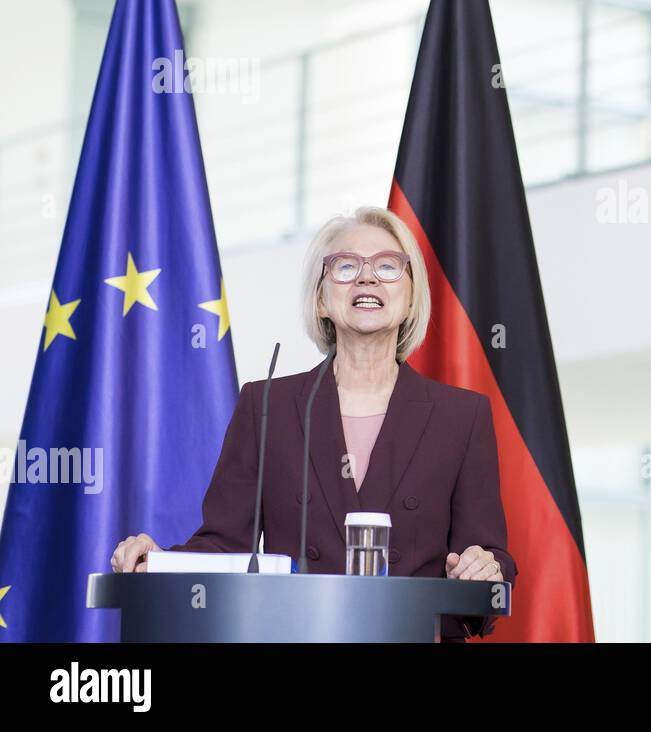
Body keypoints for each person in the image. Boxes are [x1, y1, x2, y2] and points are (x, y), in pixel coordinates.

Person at [110, 206, 514, 639]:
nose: (366, 277)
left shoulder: (462, 415)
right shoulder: (266, 405)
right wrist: (161, 562)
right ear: (321, 299)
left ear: (412, 296)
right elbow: (225, 545)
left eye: (388, 266)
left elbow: (488, 555)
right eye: (345, 266)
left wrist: (483, 567)